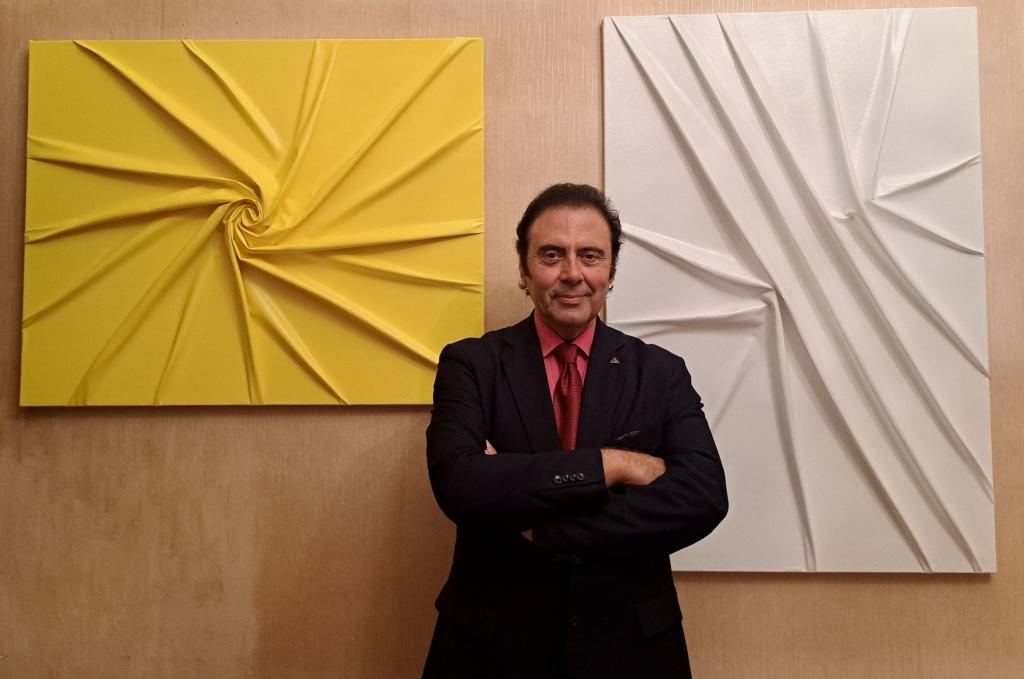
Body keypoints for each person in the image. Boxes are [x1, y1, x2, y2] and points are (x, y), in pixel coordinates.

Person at [423, 183, 728, 679]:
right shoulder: (471, 365)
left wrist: (543, 526)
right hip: (493, 647)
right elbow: (460, 485)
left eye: (590, 255)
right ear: (524, 270)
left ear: (611, 270)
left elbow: (703, 497)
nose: (572, 273)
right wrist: (614, 464)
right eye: (551, 255)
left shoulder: (660, 372)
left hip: (630, 648)